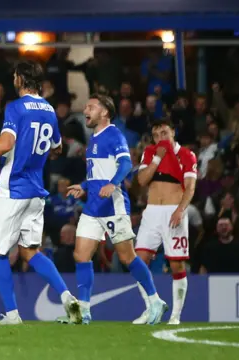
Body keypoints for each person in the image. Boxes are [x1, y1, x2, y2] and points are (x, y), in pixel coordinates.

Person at [0, 60, 81, 325]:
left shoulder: (16, 108)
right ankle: (68, 298)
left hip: (12, 189)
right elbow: (57, 148)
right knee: (30, 251)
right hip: (35, 192)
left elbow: (5, 143)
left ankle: (12, 315)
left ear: (20, 79)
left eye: (14, 77)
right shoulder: (49, 110)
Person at [66, 94, 167, 325]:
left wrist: (113, 183)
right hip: (92, 207)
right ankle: (84, 310)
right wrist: (83, 186)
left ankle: (154, 300)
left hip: (113, 207)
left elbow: (125, 164)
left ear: (105, 112)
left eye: (91, 107)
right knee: (81, 255)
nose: (85, 110)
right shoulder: (93, 138)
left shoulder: (114, 135)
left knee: (126, 257)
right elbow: (96, 174)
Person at [134, 119, 198, 325]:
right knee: (138, 261)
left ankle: (176, 316)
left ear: (173, 132)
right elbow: (142, 181)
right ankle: (151, 307)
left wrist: (180, 210)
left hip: (173, 211)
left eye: (164, 133)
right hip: (152, 212)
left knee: (177, 265)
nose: (160, 138)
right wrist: (156, 159)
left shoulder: (187, 155)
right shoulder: (150, 152)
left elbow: (189, 187)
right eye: (156, 135)